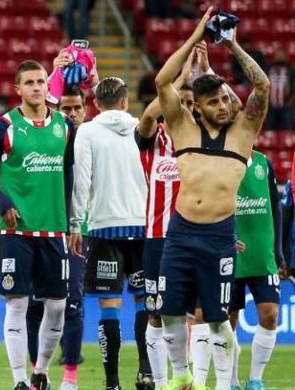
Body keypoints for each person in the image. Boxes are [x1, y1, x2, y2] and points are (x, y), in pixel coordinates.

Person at [153, 7, 270, 390]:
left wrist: (231, 45)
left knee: (219, 318)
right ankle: (181, 375)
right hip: (180, 233)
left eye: (225, 99)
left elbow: (262, 87)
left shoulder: (243, 132)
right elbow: (162, 81)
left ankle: (222, 384)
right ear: (198, 107)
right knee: (170, 311)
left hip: (219, 237)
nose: (222, 106)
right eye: (214, 101)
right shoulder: (183, 128)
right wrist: (195, 36)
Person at [0, 60, 76, 390]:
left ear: (48, 85)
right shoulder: (4, 126)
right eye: (29, 82)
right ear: (18, 89)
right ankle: (19, 379)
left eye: (41, 81)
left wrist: (70, 218)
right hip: (17, 230)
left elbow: (69, 173)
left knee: (57, 306)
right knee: (17, 303)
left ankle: (41, 371)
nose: (36, 87)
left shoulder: (64, 126)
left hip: (54, 228)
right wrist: (2, 201)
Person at [68, 77, 151, 390]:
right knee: (145, 301)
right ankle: (146, 371)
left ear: (95, 104)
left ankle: (113, 383)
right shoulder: (142, 127)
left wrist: (76, 223)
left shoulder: (87, 131)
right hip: (142, 225)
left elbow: (82, 180)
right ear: (125, 101)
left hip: (104, 227)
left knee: (109, 304)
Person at [136, 50, 196, 389]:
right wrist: (178, 82)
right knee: (156, 313)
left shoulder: (201, 139)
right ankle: (161, 383)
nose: (183, 107)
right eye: (179, 101)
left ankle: (193, 379)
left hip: (195, 236)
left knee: (198, 313)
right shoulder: (153, 137)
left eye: (189, 103)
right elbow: (147, 115)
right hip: (158, 238)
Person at [26, 84, 88, 390]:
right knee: (35, 306)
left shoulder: (91, 141)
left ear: (86, 110)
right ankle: (38, 374)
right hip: (42, 228)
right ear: (56, 110)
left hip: (77, 231)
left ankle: (70, 378)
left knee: (73, 303)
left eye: (77, 108)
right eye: (66, 108)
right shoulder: (45, 139)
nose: (72, 114)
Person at [228, 148, 285, 390]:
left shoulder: (263, 162)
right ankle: (230, 381)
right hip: (229, 255)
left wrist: (278, 251)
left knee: (270, 314)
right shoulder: (222, 162)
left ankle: (255, 379)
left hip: (263, 254)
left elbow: (275, 205)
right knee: (228, 321)